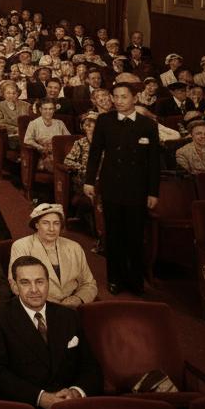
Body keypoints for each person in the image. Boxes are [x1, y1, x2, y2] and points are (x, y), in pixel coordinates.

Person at [0, 255, 102, 409]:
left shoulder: (68, 316)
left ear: (48, 283)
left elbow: (90, 365)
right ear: (14, 286)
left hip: (71, 405)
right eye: (25, 283)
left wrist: (75, 392)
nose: (34, 289)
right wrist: (41, 398)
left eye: (39, 282)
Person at [84, 80, 159, 294]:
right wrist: (89, 181)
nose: (118, 101)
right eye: (115, 97)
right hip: (112, 186)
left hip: (138, 188)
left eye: (123, 97)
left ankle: (135, 281)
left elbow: (154, 162)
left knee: (135, 236)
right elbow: (95, 152)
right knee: (114, 235)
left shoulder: (147, 125)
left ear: (135, 98)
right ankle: (114, 279)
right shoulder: (104, 121)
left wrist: (153, 192)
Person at [8, 204, 98, 306]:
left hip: (72, 307)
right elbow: (16, 285)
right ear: (37, 225)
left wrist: (78, 298)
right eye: (45, 223)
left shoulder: (74, 247)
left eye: (56, 223)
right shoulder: (21, 246)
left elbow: (89, 283)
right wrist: (50, 306)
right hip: (38, 306)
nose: (51, 229)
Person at [23, 99, 70, 173]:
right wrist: (39, 146)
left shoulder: (59, 123)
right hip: (44, 155)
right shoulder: (33, 124)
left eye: (51, 109)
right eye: (45, 109)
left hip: (60, 153)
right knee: (59, 165)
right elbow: (27, 140)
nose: (48, 111)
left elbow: (69, 139)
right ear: (40, 110)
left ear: (54, 110)